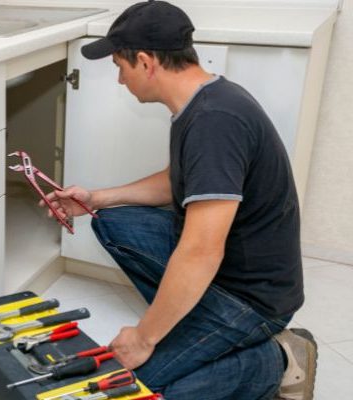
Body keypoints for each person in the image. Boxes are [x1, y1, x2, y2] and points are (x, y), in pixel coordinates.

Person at [42, 1, 317, 399]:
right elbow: (179, 182)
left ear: (145, 62)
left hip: (254, 297)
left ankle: (276, 359)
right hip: (229, 269)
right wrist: (96, 197)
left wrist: (144, 336)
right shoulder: (205, 99)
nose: (120, 80)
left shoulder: (213, 122)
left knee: (141, 387)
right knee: (108, 221)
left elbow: (202, 252)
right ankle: (194, 319)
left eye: (120, 66)